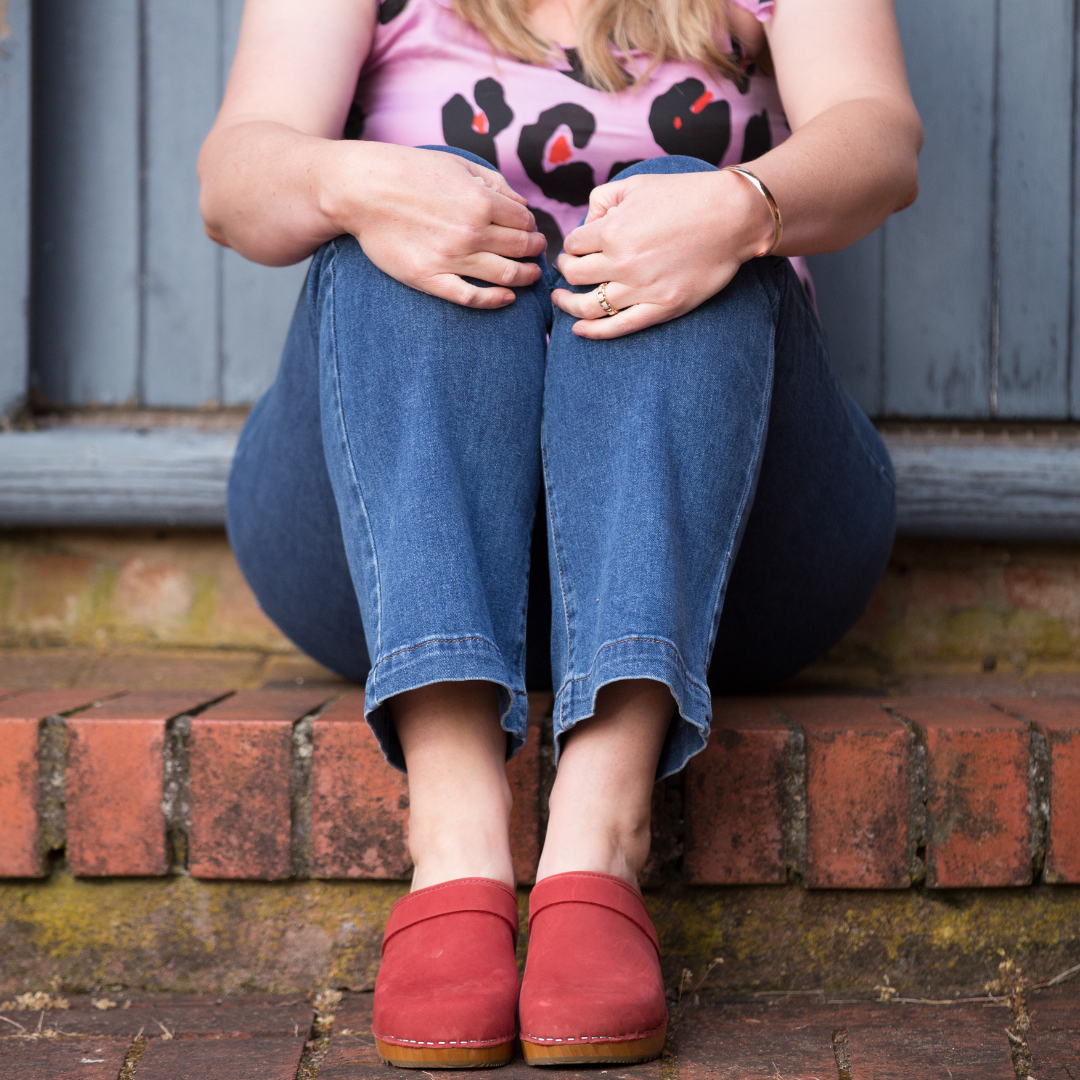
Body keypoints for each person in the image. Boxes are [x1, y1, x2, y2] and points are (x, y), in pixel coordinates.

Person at [199, 0, 920, 1067]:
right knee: (415, 216)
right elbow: (234, 183)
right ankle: (454, 842)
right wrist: (359, 182)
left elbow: (879, 139)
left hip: (725, 551)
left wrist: (740, 207)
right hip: (392, 546)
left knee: (684, 206)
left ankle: (601, 834)